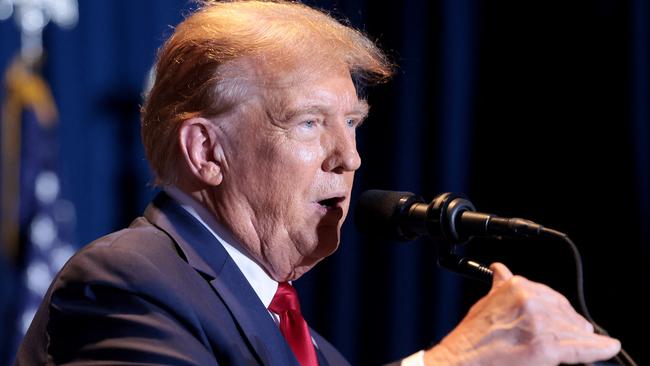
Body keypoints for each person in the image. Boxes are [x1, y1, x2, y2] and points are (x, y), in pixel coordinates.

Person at [16, 1, 621, 365]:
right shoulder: (127, 282)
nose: (350, 158)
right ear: (206, 150)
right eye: (308, 123)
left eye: (352, 125)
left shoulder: (316, 351)